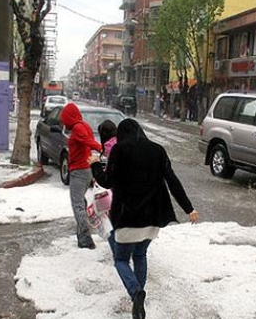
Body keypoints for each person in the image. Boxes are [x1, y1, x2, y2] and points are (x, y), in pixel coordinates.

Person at [89, 119, 199, 319]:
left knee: (121, 259)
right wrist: (188, 208)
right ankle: (138, 301)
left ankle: (136, 293)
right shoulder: (157, 150)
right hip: (153, 217)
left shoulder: (119, 151)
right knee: (140, 255)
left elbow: (107, 181)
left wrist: (95, 166)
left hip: (127, 217)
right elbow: (172, 181)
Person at [60, 103, 103, 249]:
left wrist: (101, 148)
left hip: (79, 171)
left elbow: (88, 142)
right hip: (85, 169)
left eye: (64, 118)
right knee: (82, 203)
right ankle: (82, 233)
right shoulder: (84, 125)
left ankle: (85, 238)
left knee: (77, 204)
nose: (64, 122)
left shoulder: (78, 128)